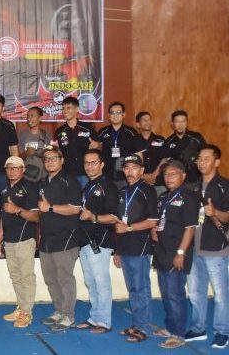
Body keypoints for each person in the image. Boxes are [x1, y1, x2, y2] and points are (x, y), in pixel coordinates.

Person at [185, 145, 229, 349]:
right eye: (199, 158)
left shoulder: (224, 186)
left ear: (217, 162)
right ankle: (198, 328)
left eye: (206, 158)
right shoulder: (193, 187)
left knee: (221, 294)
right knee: (195, 292)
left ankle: (223, 332)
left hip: (216, 249)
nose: (201, 162)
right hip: (194, 247)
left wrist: (215, 212)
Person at [151, 160, 198, 349]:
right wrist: (155, 230)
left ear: (183, 176)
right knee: (166, 293)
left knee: (175, 294)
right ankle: (170, 327)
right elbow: (164, 221)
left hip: (177, 252)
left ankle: (177, 334)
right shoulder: (165, 196)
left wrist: (181, 253)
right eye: (166, 174)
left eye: (173, 174)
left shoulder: (189, 197)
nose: (168, 177)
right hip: (162, 251)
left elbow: (190, 228)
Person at [114, 154, 158, 343]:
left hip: (140, 246)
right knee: (132, 289)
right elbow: (118, 222)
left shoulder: (148, 190)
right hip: (125, 247)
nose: (129, 171)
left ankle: (144, 327)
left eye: (134, 167)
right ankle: (137, 323)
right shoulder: (123, 191)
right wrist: (117, 250)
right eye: (127, 168)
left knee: (141, 288)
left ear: (142, 170)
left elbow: (152, 221)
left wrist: (130, 228)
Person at [38, 147, 83, 331]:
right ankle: (58, 310)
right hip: (47, 239)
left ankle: (68, 315)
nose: (49, 161)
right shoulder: (42, 182)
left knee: (64, 278)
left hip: (65, 238)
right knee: (50, 278)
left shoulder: (70, 181)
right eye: (46, 159)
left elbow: (75, 209)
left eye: (54, 158)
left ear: (62, 160)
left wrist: (50, 208)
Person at [76, 149, 119, 334]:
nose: (89, 166)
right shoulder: (88, 186)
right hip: (85, 240)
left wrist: (92, 217)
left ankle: (104, 321)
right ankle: (95, 317)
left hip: (100, 241)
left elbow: (114, 217)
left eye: (94, 162)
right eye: (86, 163)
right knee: (91, 282)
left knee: (101, 283)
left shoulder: (108, 186)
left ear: (102, 164)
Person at [0, 156, 39, 328]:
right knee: (15, 276)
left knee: (26, 276)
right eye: (9, 168)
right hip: (9, 240)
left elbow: (36, 217)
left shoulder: (30, 188)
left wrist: (17, 210)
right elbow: (3, 217)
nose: (12, 171)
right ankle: (21, 307)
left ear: (23, 169)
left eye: (16, 167)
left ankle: (27, 312)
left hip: (25, 239)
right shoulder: (4, 190)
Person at [53, 96, 99, 187]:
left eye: (68, 108)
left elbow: (100, 146)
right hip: (66, 173)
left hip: (85, 173)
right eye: (63, 108)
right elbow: (57, 152)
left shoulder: (87, 128)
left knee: (85, 195)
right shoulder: (59, 132)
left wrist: (97, 146)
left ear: (77, 109)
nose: (65, 111)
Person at [96, 102, 139, 187]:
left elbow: (138, 153)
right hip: (106, 174)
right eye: (112, 113)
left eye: (118, 112)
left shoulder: (131, 132)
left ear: (123, 115)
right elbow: (98, 150)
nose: (115, 115)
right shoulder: (102, 131)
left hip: (126, 176)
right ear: (109, 115)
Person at [163, 110, 206, 186]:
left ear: (187, 123)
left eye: (183, 121)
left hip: (197, 180)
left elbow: (206, 153)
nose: (180, 125)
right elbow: (167, 162)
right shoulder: (168, 141)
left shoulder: (196, 137)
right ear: (172, 123)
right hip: (178, 182)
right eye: (177, 122)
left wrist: (200, 160)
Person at [134, 111, 166, 194]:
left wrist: (154, 175)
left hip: (159, 182)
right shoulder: (133, 141)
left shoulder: (160, 140)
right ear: (138, 124)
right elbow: (132, 161)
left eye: (149, 119)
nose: (147, 122)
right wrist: (143, 176)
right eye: (144, 120)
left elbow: (164, 159)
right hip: (140, 182)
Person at [17, 106, 50, 182]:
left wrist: (41, 154)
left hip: (43, 176)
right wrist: (26, 153)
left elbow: (50, 156)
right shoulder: (22, 134)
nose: (29, 119)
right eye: (28, 116)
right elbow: (18, 158)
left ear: (40, 118)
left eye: (32, 116)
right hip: (27, 175)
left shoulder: (47, 135)